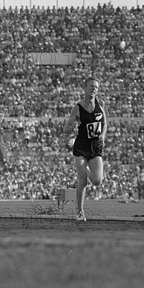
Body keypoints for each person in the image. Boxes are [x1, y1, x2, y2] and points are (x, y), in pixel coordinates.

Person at [63, 76, 107, 221]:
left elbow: (105, 122)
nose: (94, 89)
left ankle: (87, 169)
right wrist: (71, 126)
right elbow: (66, 130)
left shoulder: (101, 103)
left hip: (95, 147)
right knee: (83, 182)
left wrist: (103, 136)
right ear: (85, 88)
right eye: (91, 86)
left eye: (96, 87)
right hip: (81, 147)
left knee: (97, 181)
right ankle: (80, 212)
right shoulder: (78, 108)